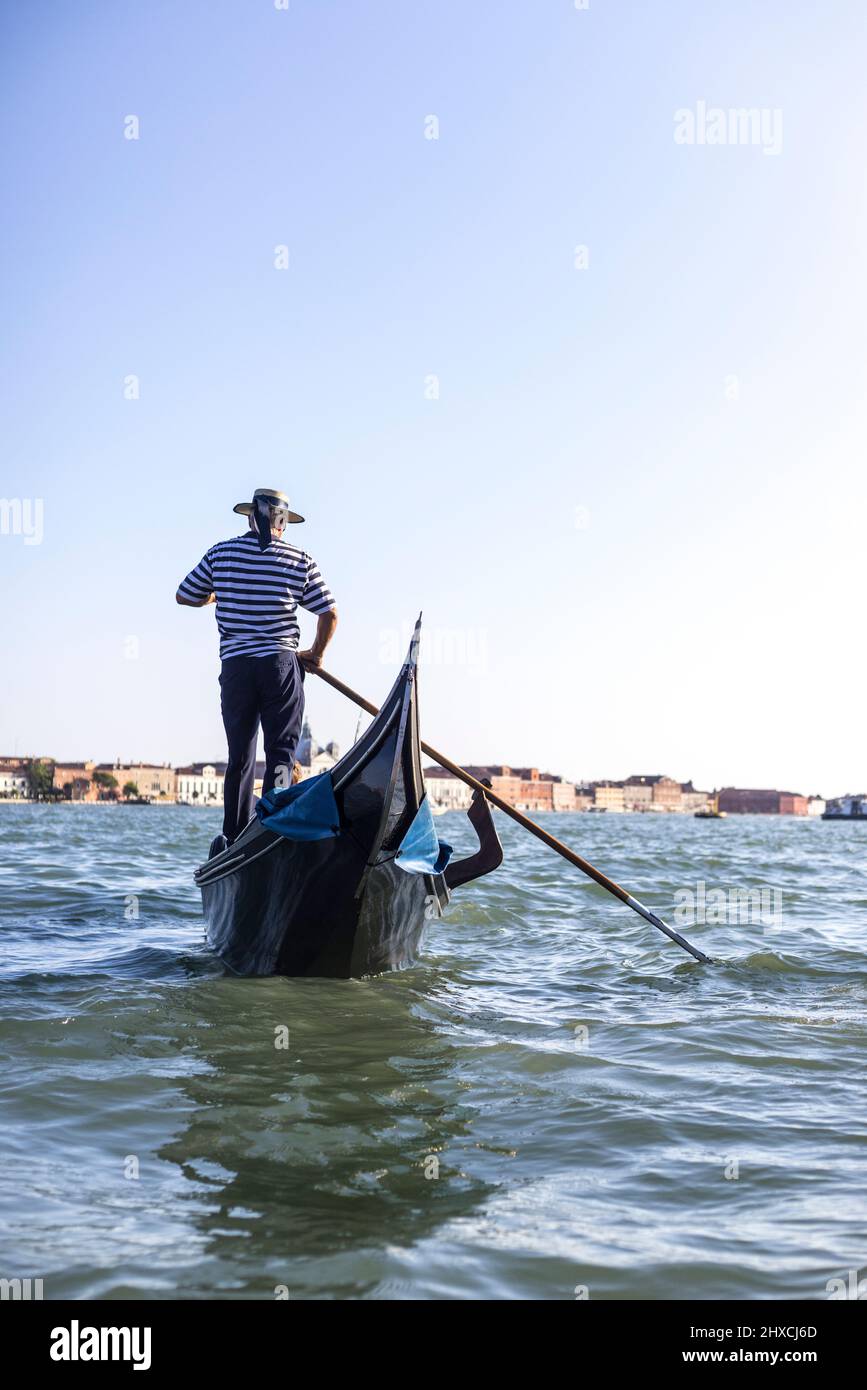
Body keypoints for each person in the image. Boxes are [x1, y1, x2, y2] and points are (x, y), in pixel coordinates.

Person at [176, 487, 338, 843]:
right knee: (280, 754)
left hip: (236, 667)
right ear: (283, 523)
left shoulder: (221, 553)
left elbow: (185, 595)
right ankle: (275, 828)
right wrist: (316, 653)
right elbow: (329, 613)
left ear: (252, 517)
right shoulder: (299, 559)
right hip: (281, 666)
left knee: (240, 757)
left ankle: (234, 836)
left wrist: (217, 593)